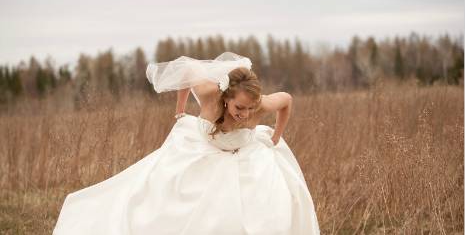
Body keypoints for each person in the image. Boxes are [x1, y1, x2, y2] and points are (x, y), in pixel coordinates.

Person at [53, 52, 320, 235]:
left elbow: (286, 100)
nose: (246, 114)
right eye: (240, 107)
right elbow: (187, 69)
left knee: (264, 205)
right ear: (226, 99)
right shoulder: (208, 95)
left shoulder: (259, 106)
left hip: (243, 153)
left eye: (251, 108)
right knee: (167, 197)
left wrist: (275, 136)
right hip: (203, 150)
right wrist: (181, 110)